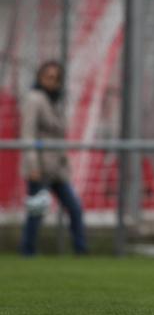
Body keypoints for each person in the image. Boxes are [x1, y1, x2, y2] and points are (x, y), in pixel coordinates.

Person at [19, 61, 88, 256]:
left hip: (57, 168)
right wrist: (33, 165)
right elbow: (28, 134)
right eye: (47, 77)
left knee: (74, 208)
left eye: (55, 78)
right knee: (36, 212)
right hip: (40, 168)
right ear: (40, 77)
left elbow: (60, 135)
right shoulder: (34, 99)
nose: (51, 81)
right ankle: (27, 251)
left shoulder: (58, 101)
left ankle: (81, 250)